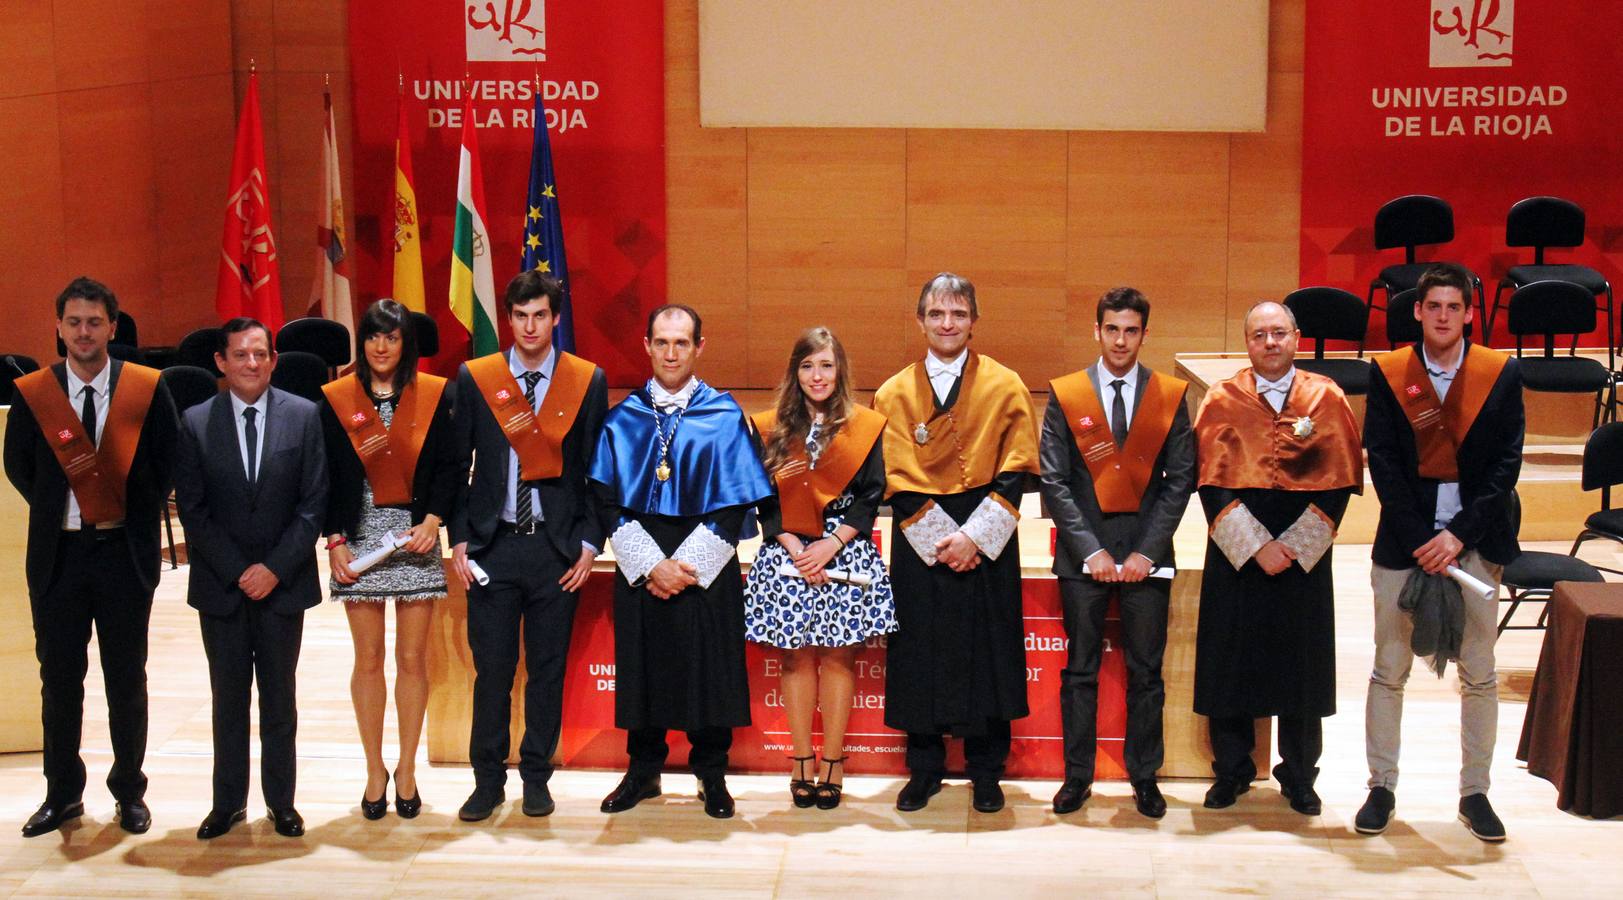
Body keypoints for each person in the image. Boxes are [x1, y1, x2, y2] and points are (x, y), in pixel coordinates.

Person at [4, 277, 178, 837]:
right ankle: (62, 795)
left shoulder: (146, 389)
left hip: (122, 556)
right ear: (58, 328)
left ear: (112, 326)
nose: (84, 332)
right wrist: (64, 507)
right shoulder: (36, 392)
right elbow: (20, 466)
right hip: (59, 559)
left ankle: (129, 791)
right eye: (74, 322)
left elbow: (165, 462)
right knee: (59, 680)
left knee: (126, 679)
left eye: (94, 322)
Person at [1358, 263, 1523, 842]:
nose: (1445, 316)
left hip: (1475, 540)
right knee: (1388, 669)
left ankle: (1475, 794)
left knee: (1479, 673)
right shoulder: (1390, 372)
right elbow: (1381, 457)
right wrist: (1419, 539)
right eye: (1435, 307)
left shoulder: (1498, 373)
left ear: (1470, 314)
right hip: (1405, 542)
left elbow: (1506, 466)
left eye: (1455, 307)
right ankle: (1381, 786)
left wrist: (1457, 535)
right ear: (1418, 313)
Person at [590, 304, 773, 820]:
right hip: (643, 567)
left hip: (704, 567)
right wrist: (652, 565)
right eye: (662, 343)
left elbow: (736, 502)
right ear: (647, 346)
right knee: (643, 668)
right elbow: (607, 501)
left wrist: (685, 565)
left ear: (699, 347)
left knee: (708, 670)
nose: (672, 353)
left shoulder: (723, 414)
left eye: (682, 343)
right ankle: (643, 772)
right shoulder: (622, 419)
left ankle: (711, 777)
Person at [873, 273, 1040, 814]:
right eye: (937, 314)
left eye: (959, 314)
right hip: (921, 536)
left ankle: (986, 772)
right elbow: (893, 479)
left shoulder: (1005, 384)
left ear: (974, 321)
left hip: (987, 537)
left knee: (987, 653)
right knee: (921, 652)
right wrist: (940, 539)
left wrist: (974, 538)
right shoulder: (893, 391)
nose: (948, 324)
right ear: (920, 320)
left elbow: (1015, 472)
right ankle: (924, 769)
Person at [448, 272, 608, 822]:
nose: (531, 326)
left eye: (541, 315)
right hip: (493, 549)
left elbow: (596, 471)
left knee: (546, 670)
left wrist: (589, 543)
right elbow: (455, 466)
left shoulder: (584, 380)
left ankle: (536, 776)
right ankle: (486, 781)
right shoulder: (477, 378)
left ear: (556, 317)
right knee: (491, 672)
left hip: (555, 551)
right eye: (520, 316)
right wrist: (461, 538)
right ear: (509, 319)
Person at [1191, 301, 1362, 816]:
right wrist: (1255, 546)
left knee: (1301, 666)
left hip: (1302, 557)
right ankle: (1233, 770)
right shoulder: (1222, 398)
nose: (1270, 342)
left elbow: (1340, 484)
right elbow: (1210, 484)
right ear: (1246, 341)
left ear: (1297, 338)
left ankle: (1300, 775)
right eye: (1259, 333)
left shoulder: (1326, 396)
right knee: (1231, 661)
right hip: (1238, 553)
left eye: (1279, 333)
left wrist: (1293, 547)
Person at [1038, 287, 1194, 819]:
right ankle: (1076, 777)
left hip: (1147, 559)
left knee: (1146, 674)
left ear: (1144, 334)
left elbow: (1181, 481)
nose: (1121, 340)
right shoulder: (1066, 394)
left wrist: (1146, 554)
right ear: (1096, 331)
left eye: (1131, 330)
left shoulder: (1169, 394)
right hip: (1086, 559)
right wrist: (1090, 551)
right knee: (1079, 672)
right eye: (1112, 329)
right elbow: (1055, 482)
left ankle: (1144, 777)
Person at [175, 317, 328, 839]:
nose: (252, 363)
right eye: (240, 355)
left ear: (273, 359)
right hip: (223, 587)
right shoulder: (195, 422)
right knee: (229, 699)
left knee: (280, 698)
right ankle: (227, 804)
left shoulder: (305, 417)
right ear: (221, 362)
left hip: (283, 585)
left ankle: (280, 803)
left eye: (260, 354)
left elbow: (313, 504)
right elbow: (192, 512)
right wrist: (241, 571)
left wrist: (273, 569)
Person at [744, 327, 896, 810]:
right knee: (794, 656)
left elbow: (871, 495)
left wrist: (830, 545)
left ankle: (833, 761)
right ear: (795, 372)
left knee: (837, 657)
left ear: (839, 371)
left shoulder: (864, 426)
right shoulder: (769, 426)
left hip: (842, 552)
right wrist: (791, 544)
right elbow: (759, 496)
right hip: (787, 555)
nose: (817, 375)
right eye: (807, 366)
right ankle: (801, 760)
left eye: (826, 365)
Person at [320, 299, 458, 820]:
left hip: (415, 539)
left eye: (392, 337)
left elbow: (449, 465)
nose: (381, 347)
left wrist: (434, 519)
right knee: (369, 660)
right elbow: (326, 476)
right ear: (363, 342)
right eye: (373, 337)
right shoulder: (336, 399)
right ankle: (374, 768)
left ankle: (406, 768)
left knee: (411, 661)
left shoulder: (432, 396)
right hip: (358, 542)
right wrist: (333, 538)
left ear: (406, 345)